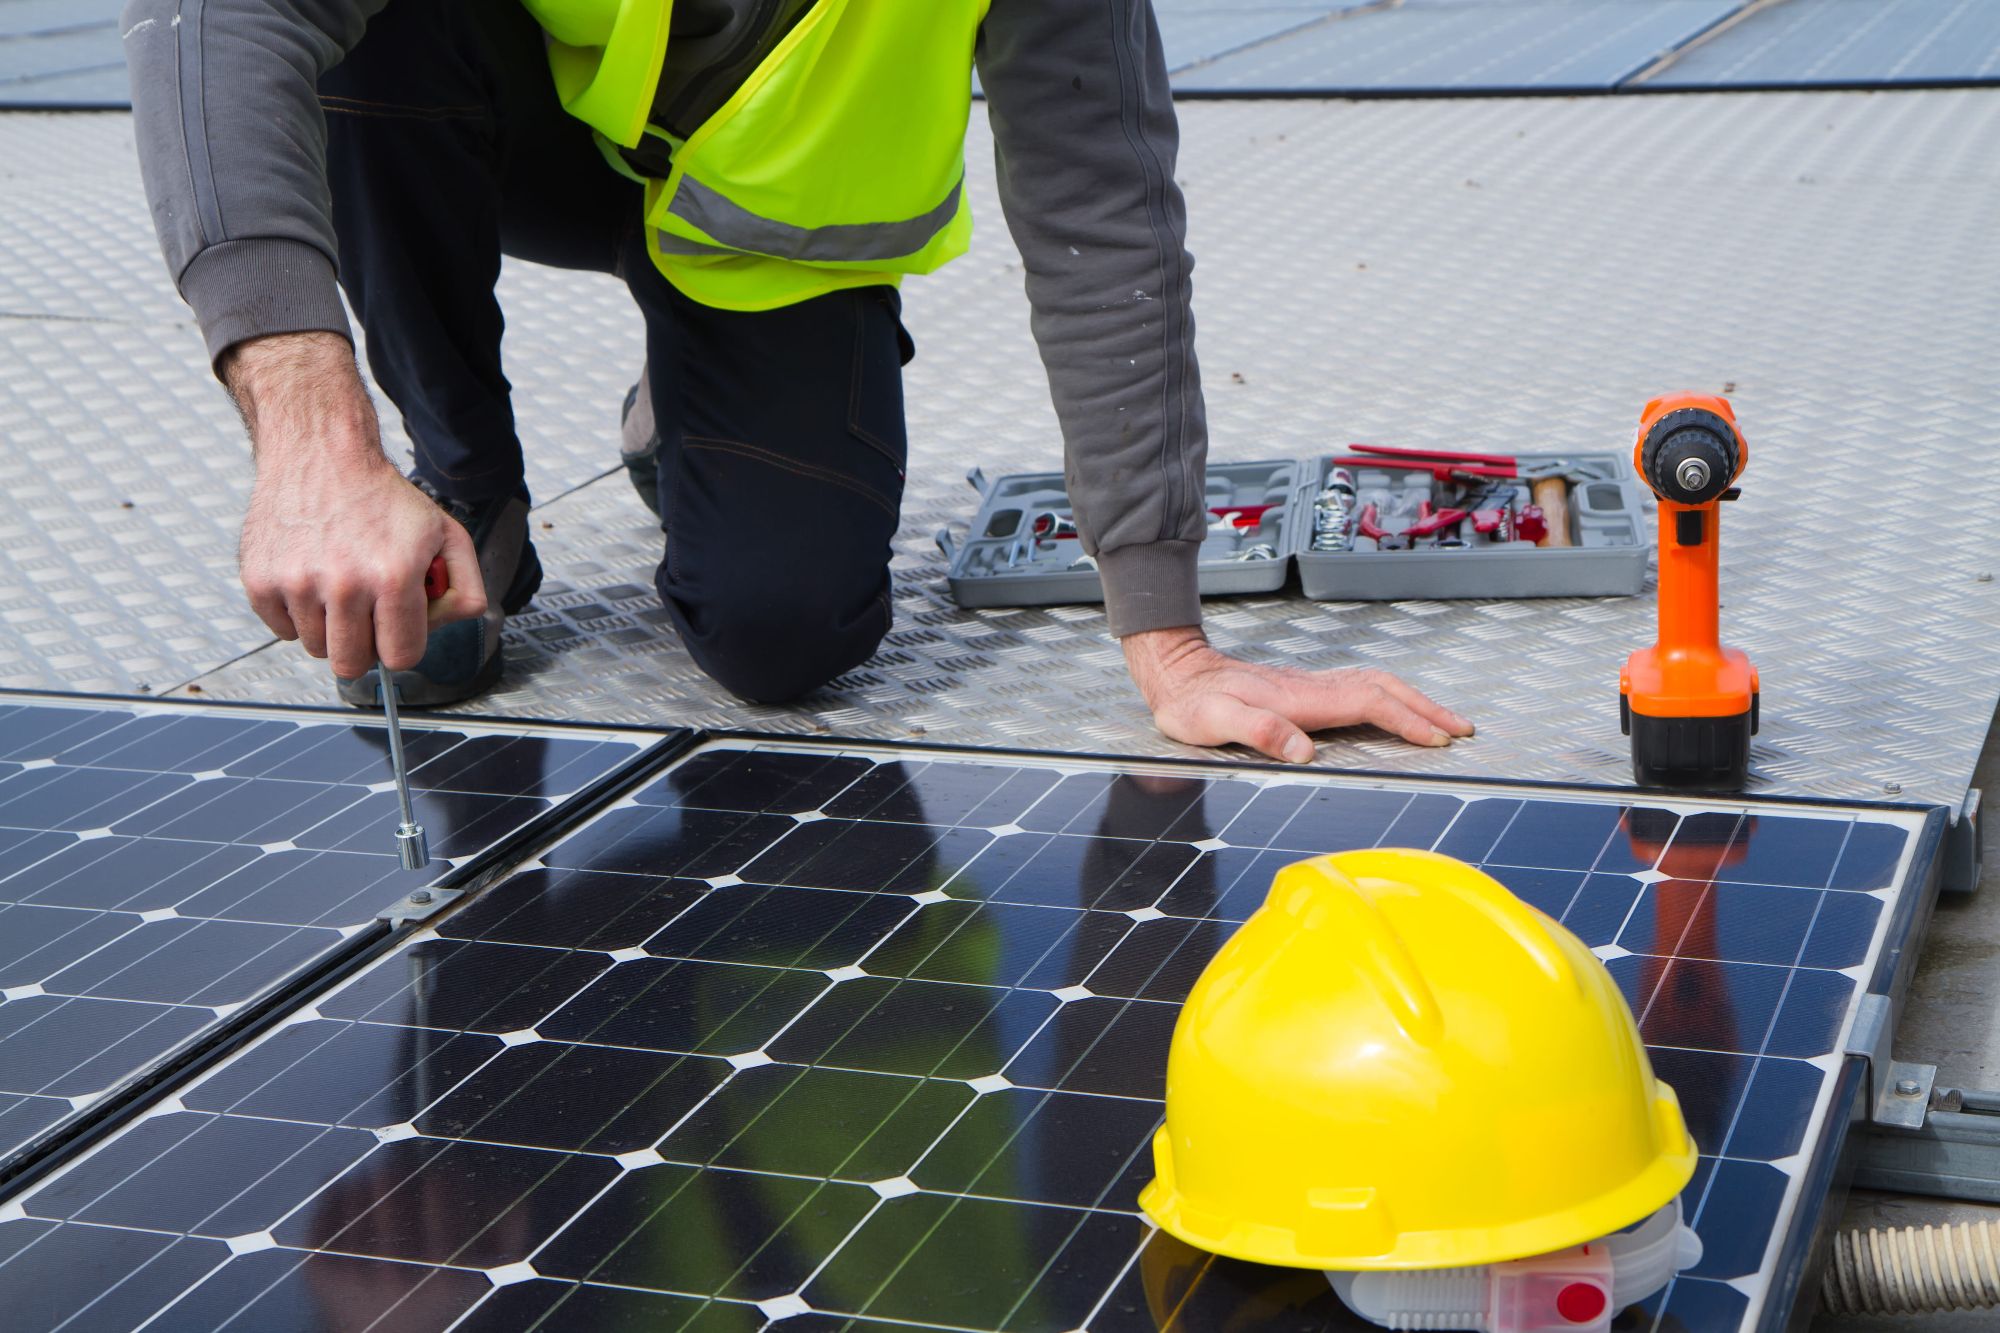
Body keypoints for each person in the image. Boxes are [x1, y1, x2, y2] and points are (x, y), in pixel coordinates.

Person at [122, 0, 1473, 763]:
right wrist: (312, 435)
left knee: (786, 638)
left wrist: (1166, 634)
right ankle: (462, 485)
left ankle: (692, 407)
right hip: (521, 123)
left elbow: (1103, 207)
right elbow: (211, 16)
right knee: (364, 38)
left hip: (758, 236)